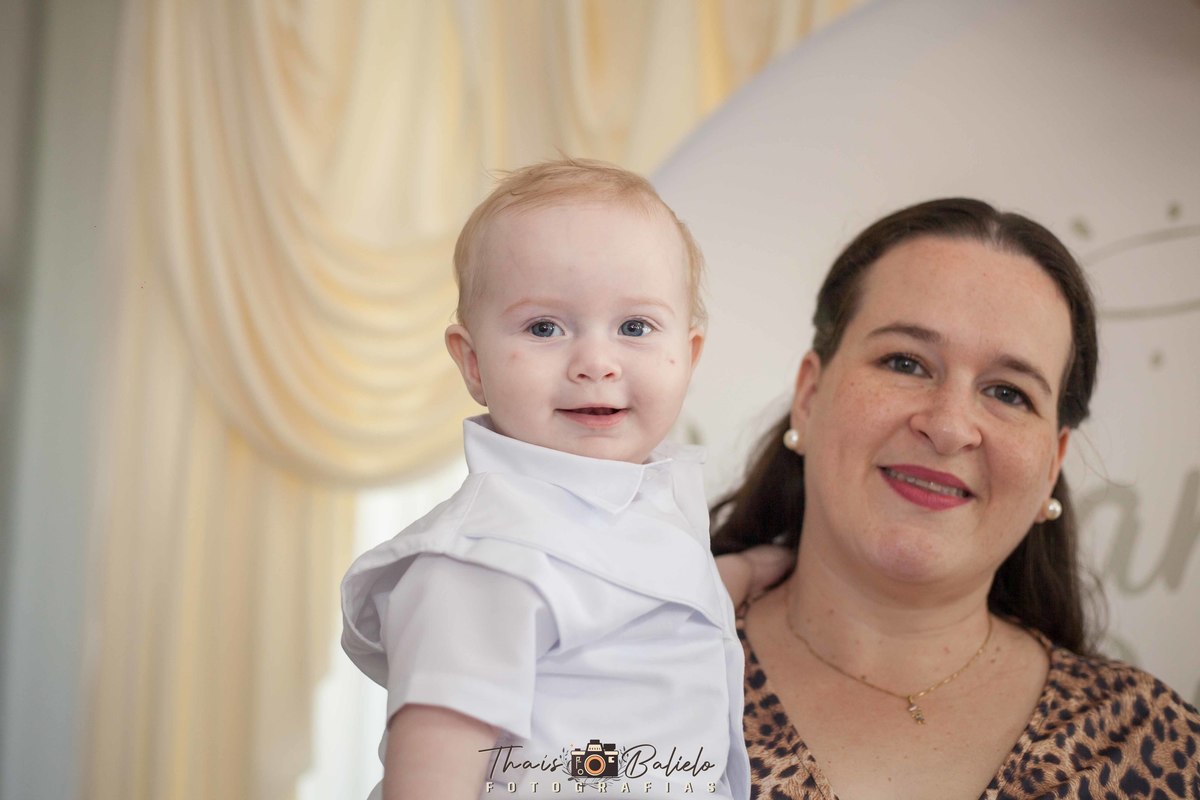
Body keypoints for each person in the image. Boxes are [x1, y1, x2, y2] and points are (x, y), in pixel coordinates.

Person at [711, 198, 1200, 799]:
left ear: (1053, 464)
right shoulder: (636, 666)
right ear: (809, 398)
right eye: (905, 362)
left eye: (1008, 393)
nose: (947, 427)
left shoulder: (1150, 744)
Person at [341, 159, 750, 800]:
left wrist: (759, 567)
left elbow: (661, 596)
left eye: (634, 327)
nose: (596, 362)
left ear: (689, 355)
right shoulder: (482, 562)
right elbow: (430, 781)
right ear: (474, 364)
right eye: (544, 328)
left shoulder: (645, 502)